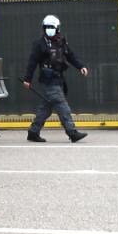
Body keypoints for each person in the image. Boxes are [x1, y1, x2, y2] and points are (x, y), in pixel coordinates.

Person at [23, 15, 89, 143]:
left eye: (52, 27)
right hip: (48, 80)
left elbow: (71, 55)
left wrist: (81, 66)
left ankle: (33, 132)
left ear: (57, 28)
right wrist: (27, 79)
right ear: (43, 28)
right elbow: (32, 62)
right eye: (47, 27)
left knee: (46, 108)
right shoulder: (39, 44)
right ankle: (72, 132)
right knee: (61, 104)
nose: (49, 29)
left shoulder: (61, 41)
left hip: (58, 79)